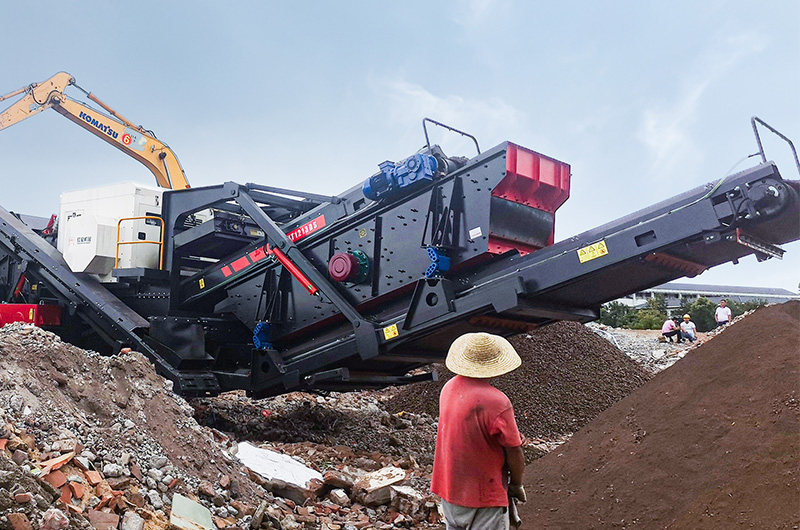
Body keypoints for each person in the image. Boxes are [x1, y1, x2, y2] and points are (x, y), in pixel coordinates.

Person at [431, 332, 526, 530]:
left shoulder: (448, 388)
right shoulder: (497, 401)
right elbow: (514, 452)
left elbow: (468, 431)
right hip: (484, 495)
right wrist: (516, 484)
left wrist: (510, 436)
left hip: (450, 490)